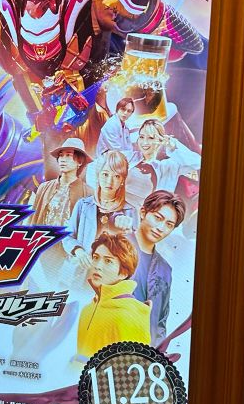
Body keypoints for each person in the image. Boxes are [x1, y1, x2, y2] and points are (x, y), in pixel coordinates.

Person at [77, 231, 151, 356]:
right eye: (95, 258)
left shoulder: (126, 316)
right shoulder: (87, 310)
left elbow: (133, 364)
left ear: (124, 273)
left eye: (108, 261)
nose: (97, 266)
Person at [64, 150, 137, 267]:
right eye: (105, 174)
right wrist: (78, 250)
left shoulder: (130, 211)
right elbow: (67, 236)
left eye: (117, 176)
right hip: (81, 270)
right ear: (98, 175)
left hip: (110, 274)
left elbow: (133, 254)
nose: (109, 181)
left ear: (122, 180)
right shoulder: (83, 205)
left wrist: (128, 233)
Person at [132, 190, 185, 345]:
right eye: (158, 218)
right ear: (143, 212)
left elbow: (161, 320)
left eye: (169, 224)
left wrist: (156, 352)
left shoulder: (165, 269)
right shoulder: (116, 246)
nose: (161, 228)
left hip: (143, 351)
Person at [126, 117, 201, 207]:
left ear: (160, 140)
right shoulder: (128, 157)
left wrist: (173, 146)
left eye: (151, 138)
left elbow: (197, 163)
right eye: (141, 137)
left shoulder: (170, 166)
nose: (144, 142)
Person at [31, 138, 93, 226]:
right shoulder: (44, 188)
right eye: (61, 155)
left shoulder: (89, 193)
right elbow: (33, 220)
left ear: (80, 161)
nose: (63, 159)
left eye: (68, 155)